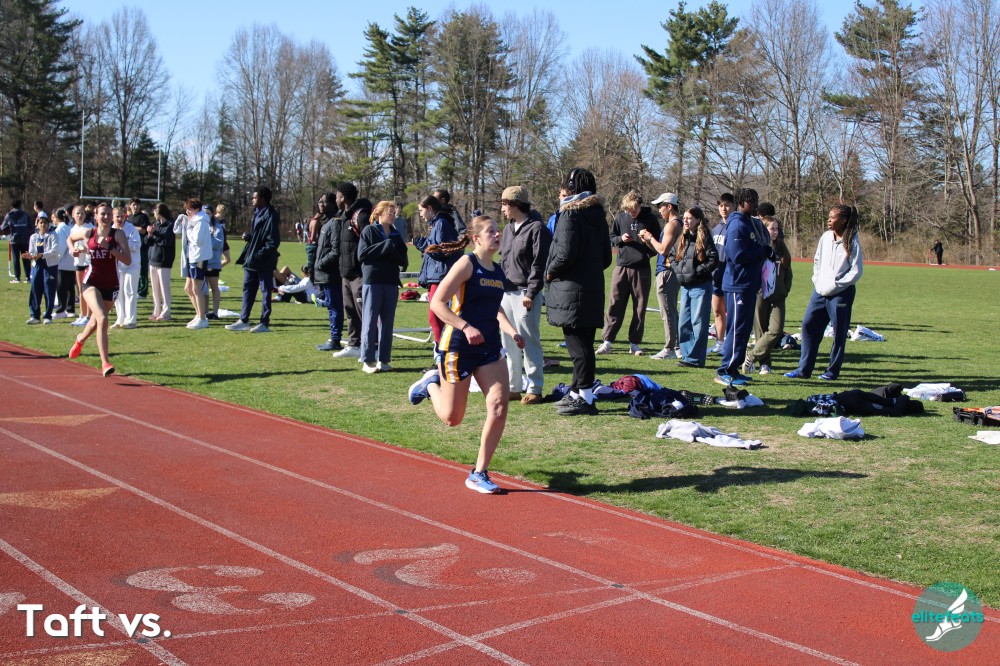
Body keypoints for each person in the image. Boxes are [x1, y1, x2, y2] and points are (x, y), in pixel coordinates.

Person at [407, 214, 525, 494]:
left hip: (489, 347)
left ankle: (479, 472)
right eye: (491, 231)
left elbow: (495, 308)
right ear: (476, 238)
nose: (497, 234)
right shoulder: (466, 264)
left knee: (499, 406)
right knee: (452, 418)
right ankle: (430, 384)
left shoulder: (497, 271)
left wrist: (512, 332)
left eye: (498, 230)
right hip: (459, 345)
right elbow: (437, 303)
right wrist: (465, 326)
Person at [545, 168, 613, 416]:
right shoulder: (598, 215)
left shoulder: (570, 214)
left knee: (578, 346)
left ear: (572, 188)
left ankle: (585, 396)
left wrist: (550, 271)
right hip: (591, 286)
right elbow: (606, 257)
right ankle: (576, 391)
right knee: (583, 342)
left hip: (571, 288)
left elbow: (564, 253)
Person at [785, 205, 863, 381]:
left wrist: (836, 284)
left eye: (833, 217)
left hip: (841, 293)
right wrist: (818, 280)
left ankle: (832, 371)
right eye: (828, 216)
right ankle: (804, 370)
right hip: (819, 291)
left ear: (843, 220)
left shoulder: (852, 240)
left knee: (839, 333)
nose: (829, 220)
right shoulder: (826, 237)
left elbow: (856, 271)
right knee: (808, 325)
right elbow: (817, 260)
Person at [67, 202, 131, 377]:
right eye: (103, 214)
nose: (106, 217)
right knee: (102, 318)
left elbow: (127, 260)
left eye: (109, 214)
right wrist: (73, 250)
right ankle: (105, 363)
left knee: (95, 322)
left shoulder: (118, 234)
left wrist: (109, 247)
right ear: (95, 216)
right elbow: (70, 239)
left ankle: (80, 339)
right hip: (91, 282)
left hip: (111, 284)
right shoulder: (89, 233)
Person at [499, 185, 550, 404]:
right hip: (506, 292)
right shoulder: (508, 229)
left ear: (515, 204)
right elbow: (503, 260)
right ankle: (513, 386)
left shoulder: (537, 228)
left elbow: (539, 264)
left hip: (525, 294)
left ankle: (535, 388)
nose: (502, 209)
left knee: (529, 341)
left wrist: (531, 291)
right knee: (509, 341)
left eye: (504, 204)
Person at [716, 188, 770, 386]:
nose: (755, 204)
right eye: (751, 201)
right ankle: (724, 370)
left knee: (744, 330)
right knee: (737, 329)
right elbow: (737, 255)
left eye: (756, 200)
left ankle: (734, 368)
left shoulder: (749, 222)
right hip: (737, 284)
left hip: (748, 284)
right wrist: (761, 252)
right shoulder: (737, 224)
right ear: (741, 203)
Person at [596, 190, 660, 356]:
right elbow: (611, 238)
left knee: (640, 307)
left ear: (639, 206)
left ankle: (634, 343)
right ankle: (607, 341)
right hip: (621, 266)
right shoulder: (620, 218)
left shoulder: (650, 219)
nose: (631, 213)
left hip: (642, 268)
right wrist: (620, 239)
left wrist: (647, 253)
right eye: (627, 210)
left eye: (633, 210)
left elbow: (659, 243)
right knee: (615, 304)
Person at [357, 201, 408, 373]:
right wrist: (385, 247)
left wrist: (393, 252)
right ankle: (367, 361)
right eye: (390, 212)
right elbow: (362, 255)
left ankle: (384, 360)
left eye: (394, 213)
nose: (393, 215)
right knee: (370, 321)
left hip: (391, 282)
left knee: (387, 323)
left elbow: (403, 259)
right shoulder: (369, 231)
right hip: (373, 281)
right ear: (379, 214)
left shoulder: (396, 234)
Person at [743, 204, 793, 375]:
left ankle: (752, 355)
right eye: (772, 229)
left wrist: (785, 289)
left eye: (777, 229)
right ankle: (765, 364)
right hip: (760, 294)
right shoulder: (758, 247)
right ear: (764, 230)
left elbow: (788, 270)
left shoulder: (781, 247)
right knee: (760, 330)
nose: (775, 232)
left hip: (778, 296)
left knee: (776, 330)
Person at [226, 186, 281, 333]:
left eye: (255, 197)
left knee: (265, 292)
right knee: (247, 290)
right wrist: (249, 237)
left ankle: (264, 323)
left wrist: (258, 255)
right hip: (251, 261)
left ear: (263, 199)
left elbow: (273, 242)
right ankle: (244, 320)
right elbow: (259, 237)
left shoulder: (271, 216)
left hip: (263, 261)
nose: (252, 200)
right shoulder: (256, 213)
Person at [673, 207, 720, 368]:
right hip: (686, 287)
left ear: (698, 220)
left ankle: (696, 359)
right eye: (684, 218)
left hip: (701, 286)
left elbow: (713, 259)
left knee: (698, 322)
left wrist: (696, 272)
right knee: (684, 323)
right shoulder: (682, 237)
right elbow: (672, 255)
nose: (685, 221)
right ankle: (688, 356)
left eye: (689, 218)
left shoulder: (705, 237)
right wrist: (679, 270)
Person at [641, 192, 684, 360]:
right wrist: (648, 241)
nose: (659, 210)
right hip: (670, 271)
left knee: (667, 312)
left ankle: (669, 348)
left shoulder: (672, 225)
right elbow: (662, 250)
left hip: (667, 272)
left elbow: (663, 250)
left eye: (661, 206)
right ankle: (678, 347)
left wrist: (650, 237)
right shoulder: (676, 224)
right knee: (671, 311)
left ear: (669, 206)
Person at [331, 182, 372, 357]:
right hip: (345, 273)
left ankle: (373, 345)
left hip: (359, 273)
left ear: (343, 198)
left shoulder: (361, 215)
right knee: (350, 310)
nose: (335, 199)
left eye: (337, 196)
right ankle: (354, 344)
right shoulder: (343, 216)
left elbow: (368, 243)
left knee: (364, 311)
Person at [413, 195, 460, 345]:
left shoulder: (441, 223)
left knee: (436, 317)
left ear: (430, 209)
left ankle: (442, 350)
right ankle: (442, 349)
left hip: (441, 276)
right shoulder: (438, 223)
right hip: (438, 275)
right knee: (438, 317)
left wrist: (421, 244)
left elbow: (442, 251)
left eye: (421, 211)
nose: (420, 214)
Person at [311, 192, 344, 352]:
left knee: (334, 307)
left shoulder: (335, 223)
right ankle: (334, 337)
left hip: (330, 274)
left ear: (333, 204)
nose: (321, 204)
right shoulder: (326, 222)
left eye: (324, 202)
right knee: (331, 306)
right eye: (319, 201)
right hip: (323, 274)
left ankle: (335, 339)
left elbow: (336, 250)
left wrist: (320, 264)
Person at [180, 199, 212, 330]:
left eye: (190, 209)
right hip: (192, 257)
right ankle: (199, 314)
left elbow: (198, 240)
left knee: (196, 289)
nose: (188, 212)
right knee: (188, 288)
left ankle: (203, 318)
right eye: (187, 209)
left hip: (199, 258)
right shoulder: (193, 221)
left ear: (197, 210)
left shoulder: (202, 221)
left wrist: (188, 231)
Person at [710, 193, 734, 353]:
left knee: (731, 313)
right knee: (717, 311)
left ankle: (732, 343)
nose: (723, 209)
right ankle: (720, 342)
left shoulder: (736, 227)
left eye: (727, 205)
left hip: (731, 277)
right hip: (716, 277)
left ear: (734, 206)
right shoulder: (716, 229)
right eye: (721, 205)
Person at [24, 214, 59, 324]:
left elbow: (55, 250)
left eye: (45, 223)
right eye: (41, 223)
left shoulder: (53, 235)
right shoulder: (33, 237)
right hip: (37, 266)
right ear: (37, 224)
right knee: (35, 289)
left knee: (49, 290)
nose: (43, 225)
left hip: (49, 266)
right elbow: (32, 250)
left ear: (48, 224)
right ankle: (34, 316)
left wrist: (42, 255)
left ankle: (48, 316)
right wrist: (30, 255)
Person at [111, 206, 141, 329]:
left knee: (130, 291)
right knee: (118, 293)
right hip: (118, 266)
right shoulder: (111, 230)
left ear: (125, 217)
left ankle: (130, 320)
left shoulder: (131, 229)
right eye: (117, 216)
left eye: (122, 216)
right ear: (113, 217)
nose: (119, 219)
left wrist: (123, 241)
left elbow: (137, 246)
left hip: (132, 265)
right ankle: (120, 319)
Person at [146, 203, 176, 321]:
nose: (153, 214)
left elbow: (165, 242)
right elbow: (148, 242)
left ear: (159, 212)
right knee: (155, 289)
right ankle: (156, 310)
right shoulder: (157, 224)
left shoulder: (170, 225)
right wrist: (149, 235)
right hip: (153, 259)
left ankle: (166, 312)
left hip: (164, 261)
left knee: (164, 288)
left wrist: (154, 233)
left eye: (155, 212)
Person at [69, 205, 95, 327]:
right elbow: (71, 244)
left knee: (88, 290)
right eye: (77, 213)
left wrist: (85, 250)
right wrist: (73, 251)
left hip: (88, 262)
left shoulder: (90, 228)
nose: (80, 215)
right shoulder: (73, 229)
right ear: (73, 215)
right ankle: (82, 314)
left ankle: (89, 316)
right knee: (80, 289)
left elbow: (94, 246)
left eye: (82, 213)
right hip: (78, 262)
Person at [52, 208, 76, 320]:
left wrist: (55, 260)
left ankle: (61, 309)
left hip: (63, 263)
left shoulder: (60, 229)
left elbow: (61, 247)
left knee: (61, 287)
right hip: (72, 262)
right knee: (70, 287)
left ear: (56, 218)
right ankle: (70, 309)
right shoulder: (70, 227)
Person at [3, 199, 32, 283]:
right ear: (20, 205)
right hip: (25, 239)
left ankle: (17, 278)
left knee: (16, 259)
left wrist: (9, 231)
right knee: (26, 258)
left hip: (14, 239)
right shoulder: (25, 214)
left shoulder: (9, 215)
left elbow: (3, 227)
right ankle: (28, 277)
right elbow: (30, 226)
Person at [206, 207, 226, 318]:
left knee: (214, 287)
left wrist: (207, 238)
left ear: (212, 214)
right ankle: (203, 312)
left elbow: (219, 244)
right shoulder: (201, 225)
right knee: (203, 289)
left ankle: (215, 312)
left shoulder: (217, 227)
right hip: (201, 261)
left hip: (213, 261)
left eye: (208, 213)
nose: (206, 215)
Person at [127, 199, 150, 298]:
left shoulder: (143, 217)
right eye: (133, 205)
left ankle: (142, 292)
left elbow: (143, 230)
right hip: (131, 246)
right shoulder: (129, 217)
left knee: (142, 269)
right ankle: (135, 289)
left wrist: (131, 227)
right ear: (130, 206)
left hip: (142, 246)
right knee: (133, 268)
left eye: (137, 205)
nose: (135, 207)